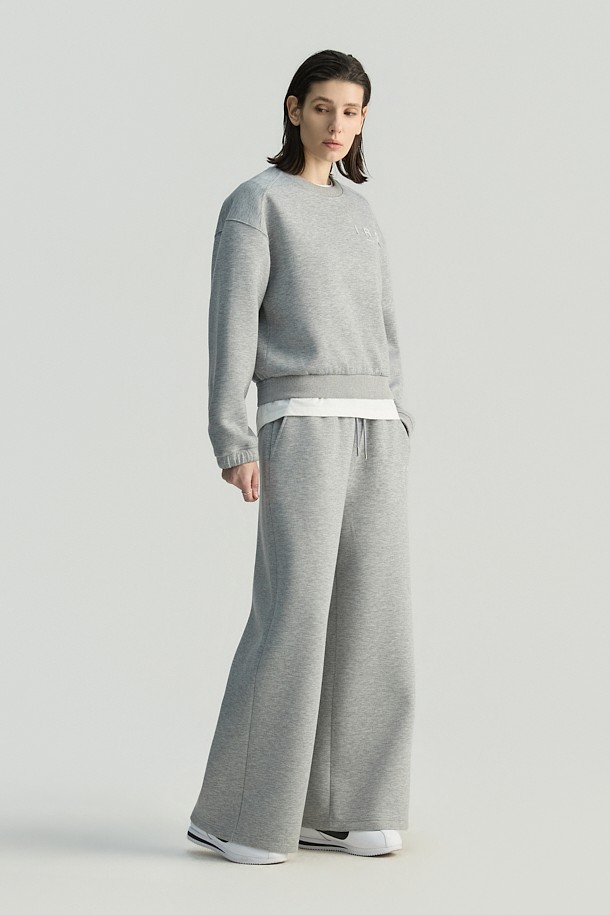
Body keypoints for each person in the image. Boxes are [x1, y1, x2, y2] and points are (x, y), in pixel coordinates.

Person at [187, 49, 416, 866]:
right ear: (294, 109)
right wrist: (233, 437)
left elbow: (384, 326)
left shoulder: (361, 214)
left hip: (374, 426)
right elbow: (232, 326)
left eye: (351, 111)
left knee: (375, 621)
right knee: (295, 615)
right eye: (322, 107)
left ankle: (348, 805)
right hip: (301, 424)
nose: (336, 124)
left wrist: (399, 414)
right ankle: (238, 813)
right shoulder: (255, 204)